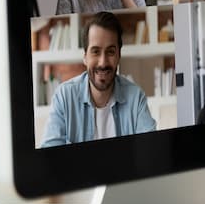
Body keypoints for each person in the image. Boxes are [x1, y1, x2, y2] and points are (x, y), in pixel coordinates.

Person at [39, 11, 156, 145]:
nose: (103, 62)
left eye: (110, 52)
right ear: (85, 57)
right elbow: (50, 158)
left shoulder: (135, 97)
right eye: (95, 51)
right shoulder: (64, 97)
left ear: (118, 56)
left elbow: (151, 149)